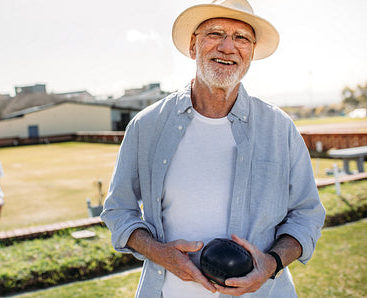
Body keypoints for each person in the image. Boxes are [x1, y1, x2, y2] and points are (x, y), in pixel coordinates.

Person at [101, 0, 326, 297]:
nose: (227, 47)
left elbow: (307, 214)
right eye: (215, 34)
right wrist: (158, 252)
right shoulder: (147, 126)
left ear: (252, 52)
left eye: (241, 38)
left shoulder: (280, 128)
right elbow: (118, 210)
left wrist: (271, 263)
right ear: (193, 46)